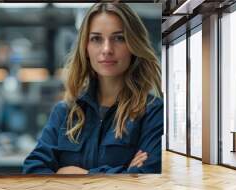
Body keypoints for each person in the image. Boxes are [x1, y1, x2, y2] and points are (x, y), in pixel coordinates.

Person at [22, 2, 163, 174]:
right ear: (85, 48)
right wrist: (124, 172)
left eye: (119, 38)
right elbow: (32, 170)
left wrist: (79, 175)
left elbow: (146, 179)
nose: (107, 49)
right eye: (96, 39)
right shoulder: (65, 112)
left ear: (133, 45)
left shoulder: (153, 112)